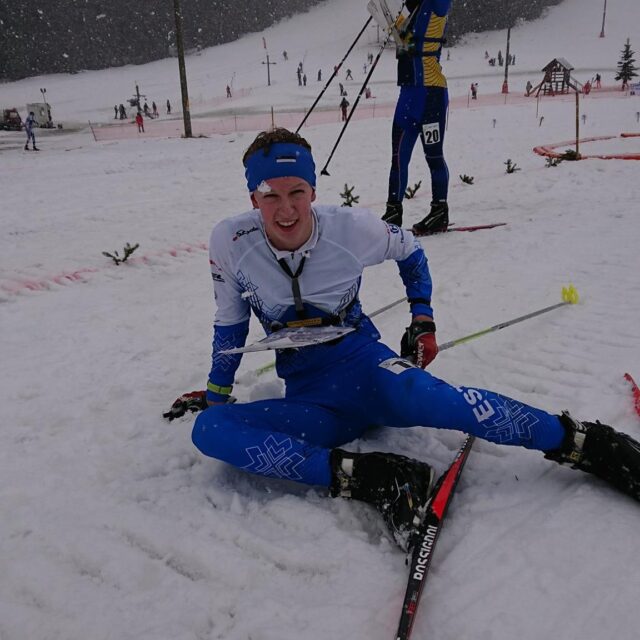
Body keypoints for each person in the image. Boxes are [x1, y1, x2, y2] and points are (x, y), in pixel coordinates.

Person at [187, 127, 640, 551]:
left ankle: (585, 443)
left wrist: (422, 318)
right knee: (210, 430)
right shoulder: (230, 241)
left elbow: (411, 251)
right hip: (314, 403)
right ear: (253, 196)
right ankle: (377, 477)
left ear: (313, 192)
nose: (286, 209)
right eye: (271, 196)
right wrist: (215, 394)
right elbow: (230, 323)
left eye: (297, 193)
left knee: (450, 404)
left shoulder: (350, 228)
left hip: (366, 369)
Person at [382, 0, 452, 235]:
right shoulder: (408, 14)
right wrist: (391, 20)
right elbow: (407, 45)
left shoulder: (436, 5)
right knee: (398, 159)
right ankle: (393, 210)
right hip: (407, 97)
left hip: (431, 96)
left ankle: (439, 211)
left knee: (434, 156)